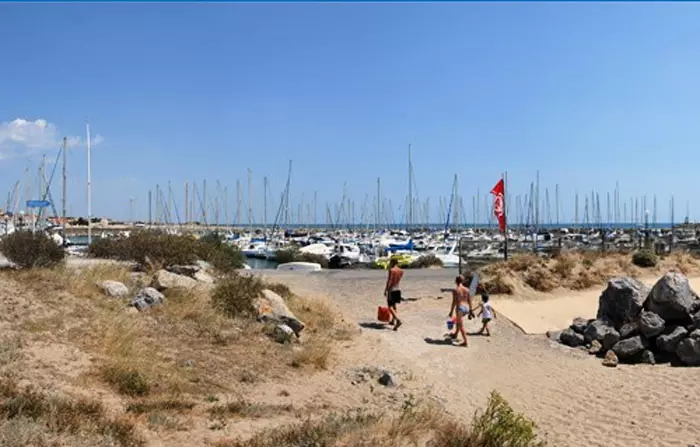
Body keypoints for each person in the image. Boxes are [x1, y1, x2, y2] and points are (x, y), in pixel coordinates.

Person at [443, 275, 473, 347]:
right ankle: (455, 334)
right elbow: (469, 301)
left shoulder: (455, 290)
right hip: (466, 307)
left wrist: (451, 311)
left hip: (460, 308)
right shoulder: (467, 289)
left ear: (456, 281)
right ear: (462, 281)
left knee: (461, 325)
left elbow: (454, 302)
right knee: (458, 321)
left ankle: (465, 342)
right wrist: (471, 310)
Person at [384, 257, 404, 331]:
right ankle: (393, 321)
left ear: (392, 262)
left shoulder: (392, 270)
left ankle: (398, 320)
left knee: (390, 307)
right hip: (397, 288)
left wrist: (386, 290)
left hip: (391, 289)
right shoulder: (401, 271)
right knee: (394, 305)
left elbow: (389, 281)